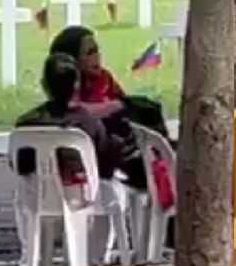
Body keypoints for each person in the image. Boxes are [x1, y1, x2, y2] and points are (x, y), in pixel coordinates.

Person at [7, 53, 121, 266]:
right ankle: (92, 260)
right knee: (110, 190)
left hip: (38, 198)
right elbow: (106, 164)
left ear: (44, 84)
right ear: (77, 85)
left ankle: (31, 259)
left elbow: (19, 165)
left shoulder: (26, 123)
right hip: (81, 198)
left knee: (23, 188)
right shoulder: (88, 123)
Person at [46, 25, 167, 187]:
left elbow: (123, 106)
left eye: (97, 51)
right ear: (72, 60)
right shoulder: (64, 86)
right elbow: (70, 110)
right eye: (90, 53)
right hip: (91, 160)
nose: (97, 57)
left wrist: (118, 106)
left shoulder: (104, 79)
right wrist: (112, 107)